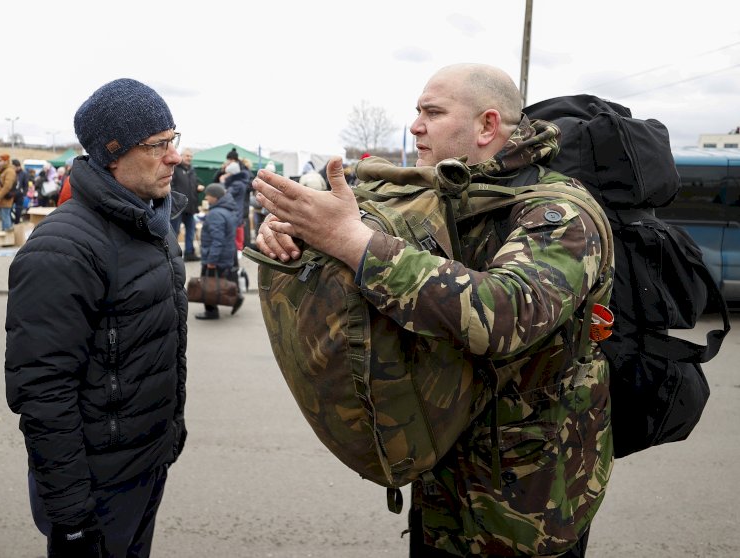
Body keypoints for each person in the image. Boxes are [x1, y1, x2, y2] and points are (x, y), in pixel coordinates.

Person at [252, 63, 614, 557]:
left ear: (488, 125)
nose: (416, 125)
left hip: (528, 508)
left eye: (432, 112)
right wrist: (298, 236)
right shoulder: (441, 192)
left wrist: (353, 242)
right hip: (444, 483)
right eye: (417, 112)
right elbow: (368, 249)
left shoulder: (561, 214)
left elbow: (501, 315)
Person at [5, 78, 189, 558]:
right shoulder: (62, 249)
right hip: (94, 489)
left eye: (174, 139)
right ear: (112, 155)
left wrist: (167, 437)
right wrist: (70, 518)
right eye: (157, 145)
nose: (174, 156)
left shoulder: (151, 226)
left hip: (144, 465)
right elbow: (43, 392)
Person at [195, 182, 243, 319]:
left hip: (215, 255)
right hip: (226, 253)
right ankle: (236, 297)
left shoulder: (216, 213)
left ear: (215, 197)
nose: (206, 199)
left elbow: (217, 240)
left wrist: (211, 260)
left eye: (208, 196)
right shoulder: (227, 210)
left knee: (208, 283)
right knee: (221, 280)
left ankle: (211, 311)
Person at [170, 148, 202, 261]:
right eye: (187, 156)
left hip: (190, 207)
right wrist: (176, 200)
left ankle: (189, 253)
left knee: (191, 230)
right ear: (181, 156)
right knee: (174, 231)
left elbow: (195, 183)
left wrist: (198, 187)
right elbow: (170, 186)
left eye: (191, 156)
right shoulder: (174, 168)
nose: (189, 158)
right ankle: (172, 255)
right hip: (177, 207)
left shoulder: (192, 171)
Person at [0, 153, 17, 231]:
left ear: (6, 161)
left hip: (5, 198)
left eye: (0, 161)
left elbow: (7, 186)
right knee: (4, 217)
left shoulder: (9, 171)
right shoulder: (4, 170)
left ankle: (8, 237)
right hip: (3, 199)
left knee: (5, 217)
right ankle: (5, 235)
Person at [11, 159, 28, 224]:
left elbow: (26, 185)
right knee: (10, 209)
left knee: (18, 210)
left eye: (16, 167)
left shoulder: (24, 174)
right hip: (11, 194)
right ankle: (12, 220)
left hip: (20, 195)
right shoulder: (12, 173)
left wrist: (24, 194)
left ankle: (17, 223)